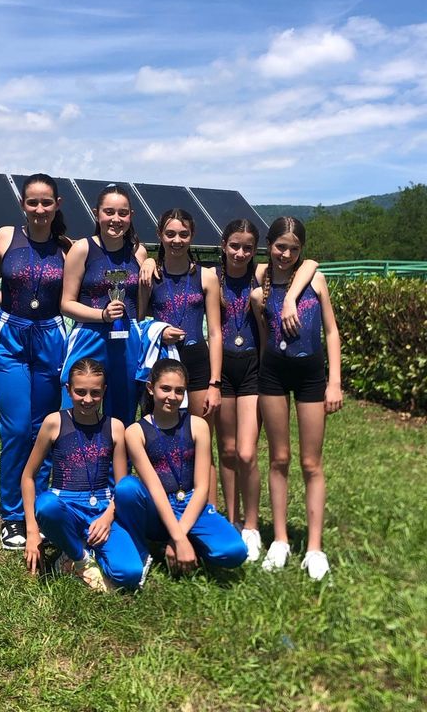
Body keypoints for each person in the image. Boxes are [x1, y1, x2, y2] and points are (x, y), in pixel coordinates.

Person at [213, 219, 318, 562]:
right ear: (223, 245)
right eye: (234, 245)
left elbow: (310, 264)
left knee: (246, 453)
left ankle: (252, 525)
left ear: (257, 248)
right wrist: (147, 261)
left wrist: (289, 300)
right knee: (227, 451)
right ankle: (232, 519)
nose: (240, 252)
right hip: (223, 368)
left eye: (248, 247)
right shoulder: (211, 276)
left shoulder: (261, 274)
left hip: (254, 370)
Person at [250, 217, 342, 581]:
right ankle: (281, 540)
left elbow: (331, 332)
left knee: (310, 462)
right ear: (269, 245)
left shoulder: (315, 279)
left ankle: (315, 548)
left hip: (311, 376)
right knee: (279, 458)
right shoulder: (260, 282)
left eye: (293, 249)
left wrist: (334, 382)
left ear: (300, 250)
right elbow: (264, 337)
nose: (285, 254)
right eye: (280, 247)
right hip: (273, 374)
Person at [0, 173, 71, 550]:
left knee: (44, 428)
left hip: (51, 337)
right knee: (17, 428)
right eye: (33, 202)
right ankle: (12, 515)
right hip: (12, 336)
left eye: (46, 202)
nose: (40, 209)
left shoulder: (68, 248)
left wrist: (145, 259)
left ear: (57, 205)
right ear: (23, 204)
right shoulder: (5, 237)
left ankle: (37, 507)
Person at [115, 358, 247, 578]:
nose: (172, 396)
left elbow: (202, 487)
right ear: (150, 388)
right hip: (157, 508)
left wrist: (179, 537)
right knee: (126, 488)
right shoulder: (135, 432)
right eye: (165, 389)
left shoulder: (198, 426)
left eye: (179, 391)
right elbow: (154, 487)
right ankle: (142, 548)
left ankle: (188, 544)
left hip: (191, 503)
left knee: (235, 552)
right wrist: (178, 538)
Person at [21, 358, 144, 591]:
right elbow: (28, 476)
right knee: (46, 505)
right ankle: (81, 558)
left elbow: (121, 486)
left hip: (102, 509)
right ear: (68, 389)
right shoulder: (54, 422)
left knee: (130, 573)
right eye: (80, 392)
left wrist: (108, 517)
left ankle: (77, 551)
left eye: (95, 393)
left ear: (104, 391)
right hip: (65, 507)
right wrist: (32, 531)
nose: (87, 400)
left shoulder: (115, 427)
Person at [138, 208, 222, 505]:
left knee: (202, 444)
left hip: (197, 364)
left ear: (192, 235)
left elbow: (215, 332)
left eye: (183, 234)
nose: (177, 240)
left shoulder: (206, 277)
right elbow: (140, 323)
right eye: (170, 234)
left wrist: (215, 382)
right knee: (158, 444)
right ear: (160, 235)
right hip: (161, 366)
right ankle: (161, 510)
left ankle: (208, 513)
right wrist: (159, 332)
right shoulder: (150, 275)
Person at [60, 184, 148, 426]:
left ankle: (118, 453)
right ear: (96, 213)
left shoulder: (139, 253)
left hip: (127, 339)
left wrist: (151, 264)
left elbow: (143, 305)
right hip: (89, 336)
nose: (116, 219)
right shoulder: (82, 248)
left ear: (131, 216)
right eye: (109, 212)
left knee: (123, 414)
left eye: (123, 213)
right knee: (76, 410)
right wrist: (102, 315)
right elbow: (66, 304)